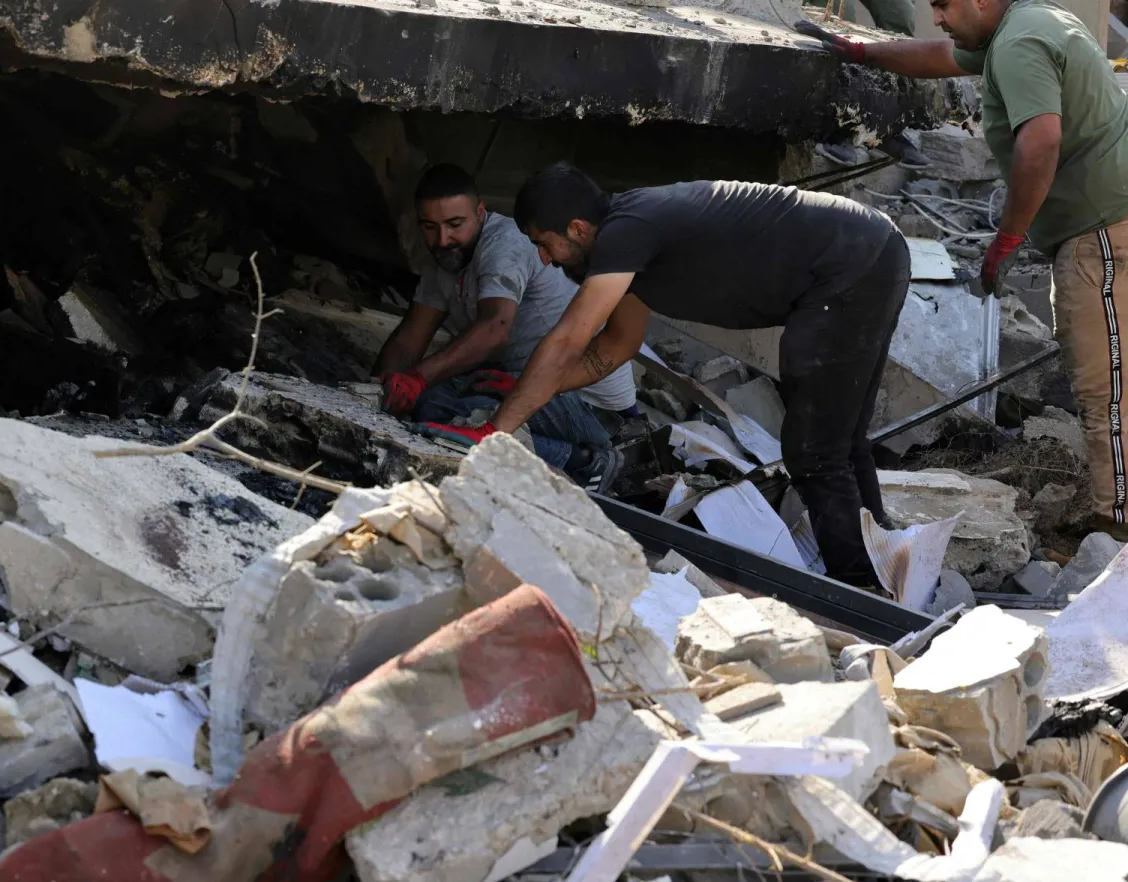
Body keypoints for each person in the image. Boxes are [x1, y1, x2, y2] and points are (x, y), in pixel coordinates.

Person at [428, 164, 910, 586]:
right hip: (872, 249)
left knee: (814, 448)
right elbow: (616, 346)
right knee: (841, 440)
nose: (544, 259)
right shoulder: (628, 246)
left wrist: (494, 430)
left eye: (543, 244)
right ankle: (880, 561)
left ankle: (857, 588)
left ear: (576, 228)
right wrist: (526, 394)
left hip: (851, 260)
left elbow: (566, 340)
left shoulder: (626, 232)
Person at [797, 0, 1128, 542]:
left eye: (944, 5)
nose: (940, 18)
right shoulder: (1027, 24)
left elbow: (1040, 142)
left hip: (1103, 234)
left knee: (1107, 392)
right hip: (1106, 224)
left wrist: (1007, 239)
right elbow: (939, 54)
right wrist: (864, 52)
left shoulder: (1020, 43)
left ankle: (1116, 538)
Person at [373, 163, 633, 492]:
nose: (443, 239)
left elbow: (494, 329)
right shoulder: (445, 263)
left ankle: (581, 461)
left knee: (451, 416)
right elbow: (409, 341)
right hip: (531, 384)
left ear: (480, 212)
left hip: (591, 405)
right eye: (429, 227)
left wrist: (418, 377)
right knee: (434, 401)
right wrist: (378, 388)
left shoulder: (504, 243)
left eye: (455, 224)